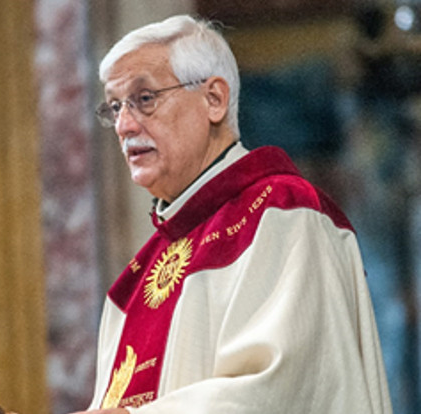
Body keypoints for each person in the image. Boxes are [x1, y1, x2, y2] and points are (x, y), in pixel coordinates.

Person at [70, 14, 392, 414]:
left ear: (214, 99)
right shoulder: (134, 281)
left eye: (145, 99)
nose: (123, 125)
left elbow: (285, 390)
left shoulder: (282, 213)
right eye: (115, 107)